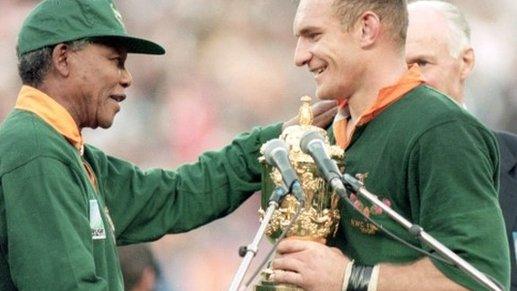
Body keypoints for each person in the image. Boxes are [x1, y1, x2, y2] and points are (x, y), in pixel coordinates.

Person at [0, 0, 337, 290]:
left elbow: (174, 194)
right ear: (63, 59)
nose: (126, 77)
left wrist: (273, 142)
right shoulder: (34, 149)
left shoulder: (65, 150)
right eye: (115, 60)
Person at [270, 0, 509, 290]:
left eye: (314, 35)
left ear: (367, 29)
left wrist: (350, 278)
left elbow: (479, 280)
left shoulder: (441, 128)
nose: (299, 57)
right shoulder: (324, 135)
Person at [406, 1, 517, 290]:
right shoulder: (360, 169)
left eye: (421, 63)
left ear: (465, 62)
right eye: (399, 68)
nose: (408, 80)